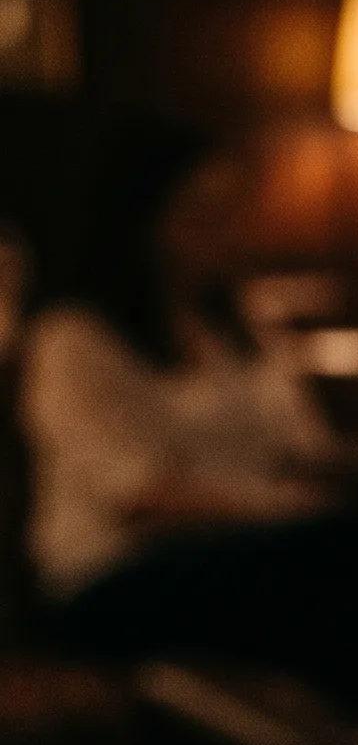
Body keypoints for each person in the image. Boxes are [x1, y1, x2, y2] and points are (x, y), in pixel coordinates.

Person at [21, 121, 335, 606]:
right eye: (206, 215)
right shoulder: (73, 338)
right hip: (119, 571)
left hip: (254, 547)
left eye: (234, 213)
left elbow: (303, 447)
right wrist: (276, 509)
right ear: (143, 225)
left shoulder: (238, 326)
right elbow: (137, 498)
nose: (231, 234)